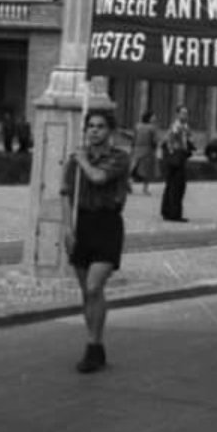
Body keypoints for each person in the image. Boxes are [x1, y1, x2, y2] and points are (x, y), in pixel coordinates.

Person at [60, 109, 131, 374]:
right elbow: (66, 194)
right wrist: (68, 229)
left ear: (109, 131)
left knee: (93, 286)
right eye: (90, 126)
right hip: (83, 224)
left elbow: (99, 177)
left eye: (100, 126)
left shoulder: (119, 158)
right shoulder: (75, 160)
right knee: (87, 293)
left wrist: (81, 160)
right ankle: (95, 346)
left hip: (108, 224)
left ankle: (93, 345)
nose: (94, 131)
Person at [160, 105, 193, 222]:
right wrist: (173, 152)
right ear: (177, 114)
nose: (185, 116)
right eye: (183, 113)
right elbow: (169, 142)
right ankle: (173, 213)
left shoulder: (184, 127)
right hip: (176, 159)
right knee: (176, 186)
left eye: (186, 113)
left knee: (174, 185)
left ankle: (169, 211)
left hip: (179, 158)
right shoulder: (176, 127)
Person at [130, 111, 159, 195]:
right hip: (147, 151)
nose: (155, 118)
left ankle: (128, 185)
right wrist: (154, 149)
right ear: (149, 118)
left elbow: (134, 139)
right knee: (147, 171)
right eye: (153, 116)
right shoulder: (152, 128)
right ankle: (145, 189)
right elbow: (154, 141)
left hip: (136, 150)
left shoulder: (137, 126)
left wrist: (132, 149)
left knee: (132, 169)